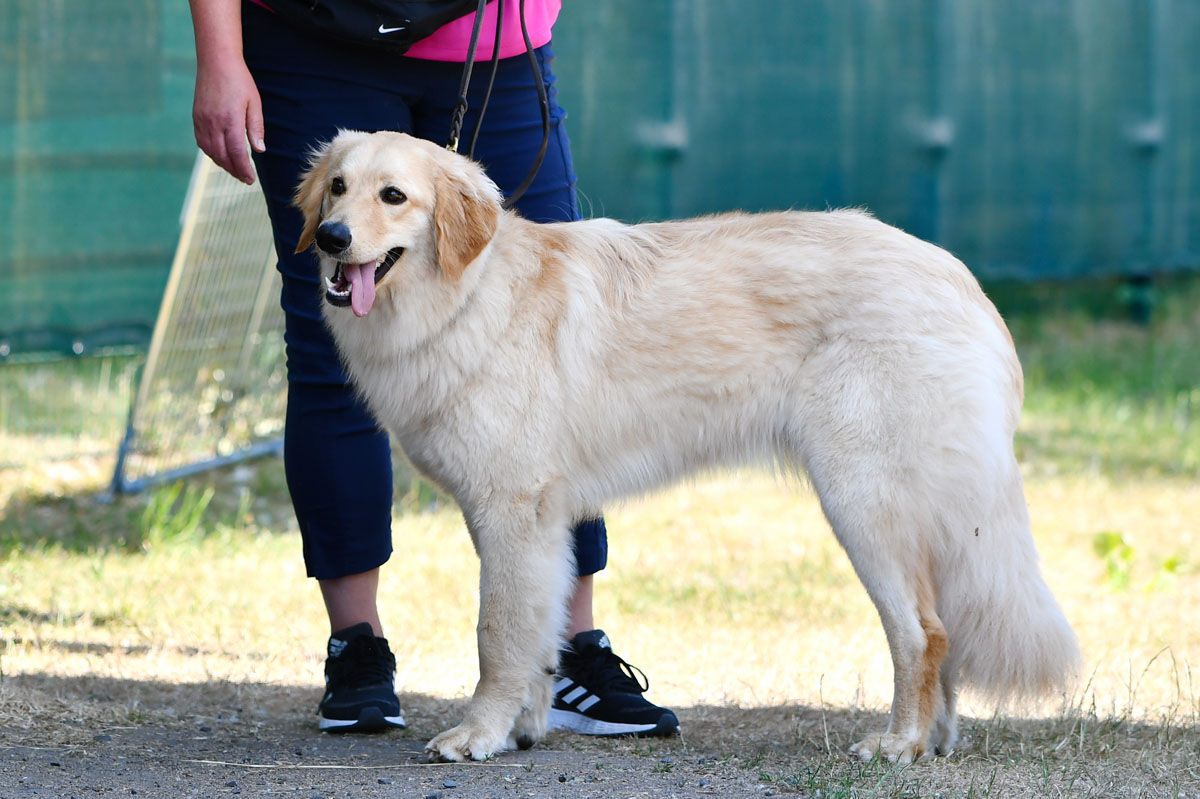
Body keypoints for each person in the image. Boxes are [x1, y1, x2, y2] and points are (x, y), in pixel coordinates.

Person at [187, 0, 678, 739]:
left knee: (552, 330)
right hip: (311, 39)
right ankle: (358, 651)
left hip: (493, 41)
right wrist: (221, 57)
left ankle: (568, 652)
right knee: (332, 345)